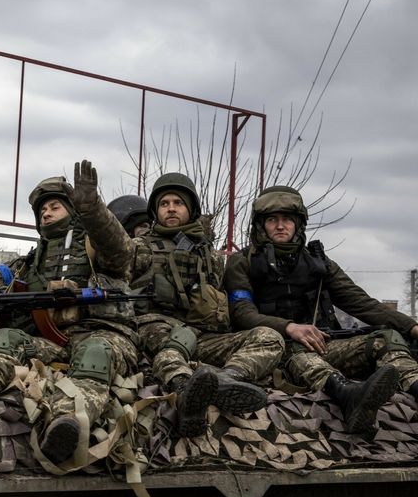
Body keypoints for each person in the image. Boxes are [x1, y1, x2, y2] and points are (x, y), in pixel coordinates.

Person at [0, 160, 140, 466]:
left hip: (105, 336)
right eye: (42, 210)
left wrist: (93, 208)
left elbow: (119, 248)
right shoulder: (29, 262)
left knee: (95, 354)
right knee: (7, 337)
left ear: (72, 210)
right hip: (56, 342)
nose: (46, 213)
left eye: (55, 206)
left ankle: (66, 423)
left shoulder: (96, 248)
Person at [224, 185, 418, 433]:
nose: (280, 226)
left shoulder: (319, 263)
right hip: (276, 351)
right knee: (302, 357)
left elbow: (362, 303)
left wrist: (411, 327)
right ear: (261, 225)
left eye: (287, 220)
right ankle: (347, 395)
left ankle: (414, 384)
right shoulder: (242, 263)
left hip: (324, 344)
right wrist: (289, 328)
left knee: (386, 339)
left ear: (298, 224)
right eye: (272, 220)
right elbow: (241, 313)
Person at [129, 173, 284, 437]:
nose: (171, 208)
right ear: (155, 210)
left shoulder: (210, 255)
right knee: (171, 353)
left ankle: (227, 380)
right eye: (164, 203)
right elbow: (108, 245)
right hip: (159, 329)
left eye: (178, 202)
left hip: (205, 336)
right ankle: (185, 392)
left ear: (191, 209)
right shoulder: (138, 248)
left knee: (270, 337)